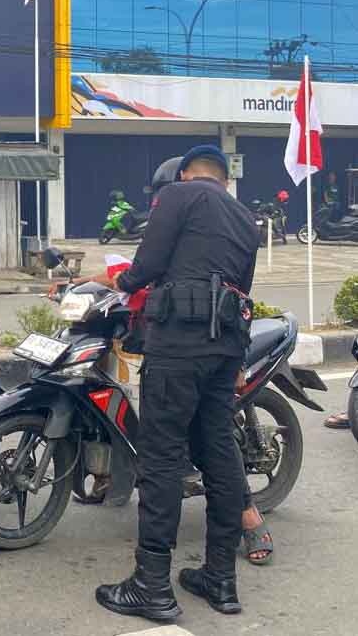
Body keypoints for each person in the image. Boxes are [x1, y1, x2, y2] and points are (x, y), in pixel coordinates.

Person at [88, 145, 259, 620]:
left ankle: (151, 586)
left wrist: (118, 285)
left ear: (185, 174)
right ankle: (220, 579)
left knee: (161, 458)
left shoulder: (180, 196)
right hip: (226, 346)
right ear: (225, 180)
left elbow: (147, 266)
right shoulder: (246, 219)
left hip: (179, 345)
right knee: (220, 453)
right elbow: (242, 288)